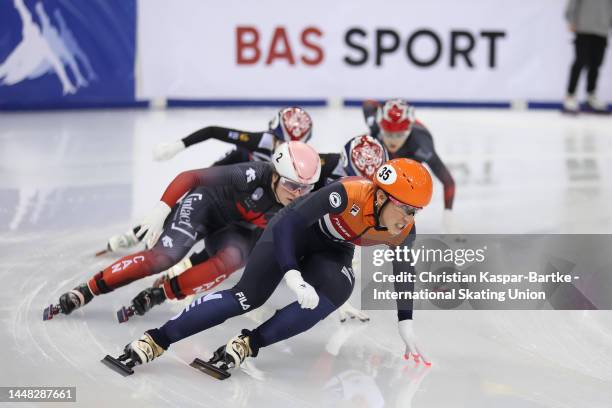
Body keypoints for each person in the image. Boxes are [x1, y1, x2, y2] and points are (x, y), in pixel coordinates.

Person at [112, 158, 433, 374]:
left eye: (415, 212)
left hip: (332, 252)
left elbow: (403, 268)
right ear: (379, 197)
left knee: (334, 291)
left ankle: (248, 343)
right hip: (291, 231)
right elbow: (290, 223)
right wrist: (292, 273)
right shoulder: (347, 194)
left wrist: (406, 321)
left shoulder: (404, 230)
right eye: (405, 208)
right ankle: (157, 339)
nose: (408, 219)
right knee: (247, 298)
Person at [125, 135, 388, 320]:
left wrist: (336, 295)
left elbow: (340, 237)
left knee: (238, 251)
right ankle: (174, 268)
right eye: (351, 174)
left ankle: (169, 284)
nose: (355, 184)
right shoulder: (316, 167)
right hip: (249, 197)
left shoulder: (360, 195)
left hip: (275, 214)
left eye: (365, 182)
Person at [48, 142, 321, 317]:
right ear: (274, 174)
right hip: (205, 207)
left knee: (233, 260)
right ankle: (88, 289)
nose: (297, 194)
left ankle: (160, 294)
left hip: (235, 230)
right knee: (164, 258)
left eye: (305, 188)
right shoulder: (251, 174)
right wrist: (163, 207)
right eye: (290, 185)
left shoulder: (304, 199)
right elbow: (191, 176)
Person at [363, 99, 457, 232]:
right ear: (381, 126)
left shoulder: (422, 146)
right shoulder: (375, 125)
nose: (393, 141)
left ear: (408, 131)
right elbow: (368, 103)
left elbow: (448, 182)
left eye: (399, 135)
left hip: (410, 159)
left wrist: (448, 215)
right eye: (388, 134)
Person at [563, 0, 612, 114]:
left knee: (596, 64)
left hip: (602, 31)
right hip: (583, 28)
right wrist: (571, 21)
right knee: (580, 61)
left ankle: (591, 96)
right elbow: (571, 5)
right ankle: (570, 95)